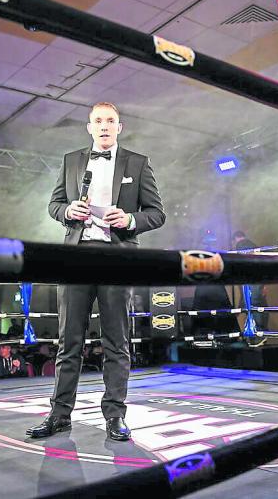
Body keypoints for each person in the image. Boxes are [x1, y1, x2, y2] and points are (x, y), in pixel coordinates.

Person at [28, 102, 165, 441]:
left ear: (120, 127)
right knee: (68, 341)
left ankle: (115, 416)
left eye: (110, 121)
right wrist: (67, 211)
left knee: (116, 341)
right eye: (98, 121)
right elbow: (53, 204)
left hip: (117, 257)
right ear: (89, 127)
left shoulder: (138, 162)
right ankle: (59, 415)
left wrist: (130, 219)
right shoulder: (71, 160)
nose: (104, 126)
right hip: (75, 255)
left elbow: (156, 213)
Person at [232, 230, 268, 330]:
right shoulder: (254, 245)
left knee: (253, 306)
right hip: (259, 281)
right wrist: (264, 284)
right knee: (260, 306)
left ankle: (257, 334)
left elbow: (241, 265)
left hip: (250, 282)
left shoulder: (240, 245)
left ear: (236, 239)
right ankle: (261, 333)